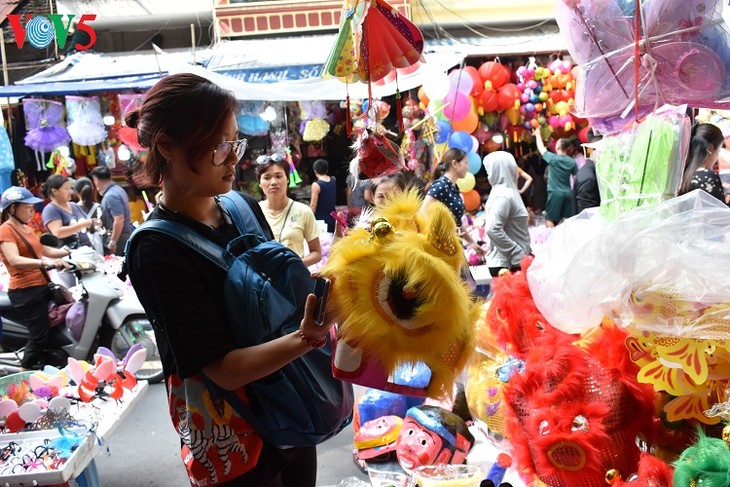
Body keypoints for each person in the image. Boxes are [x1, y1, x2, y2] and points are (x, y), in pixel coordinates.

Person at [125, 73, 332, 486]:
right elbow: (223, 370)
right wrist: (307, 337)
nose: (234, 158)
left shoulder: (240, 206)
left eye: (234, 142)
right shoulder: (155, 248)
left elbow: (274, 300)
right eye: (219, 146)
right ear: (167, 146)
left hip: (289, 409)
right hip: (232, 440)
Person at [0, 186, 71, 370]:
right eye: (27, 207)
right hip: (25, 291)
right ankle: (24, 375)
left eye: (33, 208)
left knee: (54, 330)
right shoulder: (6, 230)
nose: (32, 211)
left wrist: (67, 253)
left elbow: (44, 250)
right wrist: (44, 264)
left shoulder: (26, 228)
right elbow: (14, 259)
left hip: (41, 286)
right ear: (12, 209)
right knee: (39, 337)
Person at [258, 153, 322, 267]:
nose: (273, 182)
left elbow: (316, 253)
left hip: (294, 281)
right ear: (260, 183)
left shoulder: (303, 211)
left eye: (278, 176)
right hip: (261, 282)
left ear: (287, 179)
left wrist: (293, 265)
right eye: (267, 177)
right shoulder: (253, 212)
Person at [420, 148, 485, 256]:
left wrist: (472, 243)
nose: (467, 167)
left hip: (453, 247)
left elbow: (457, 222)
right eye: (465, 163)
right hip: (442, 249)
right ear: (455, 163)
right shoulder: (441, 185)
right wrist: (441, 236)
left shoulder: (453, 187)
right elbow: (423, 212)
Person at [482, 152, 532, 277]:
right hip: (508, 265)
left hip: (511, 262)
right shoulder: (504, 195)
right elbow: (492, 229)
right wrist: (516, 252)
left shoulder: (506, 192)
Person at [532, 128, 578, 227]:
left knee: (550, 218)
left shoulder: (553, 158)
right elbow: (575, 179)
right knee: (567, 220)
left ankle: (553, 241)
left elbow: (541, 148)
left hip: (555, 193)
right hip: (568, 193)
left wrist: (538, 134)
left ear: (557, 147)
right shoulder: (572, 162)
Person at [41, 175, 94, 250]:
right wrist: (82, 225)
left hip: (87, 249)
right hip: (68, 253)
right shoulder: (51, 209)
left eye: (70, 188)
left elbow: (87, 224)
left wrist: (93, 223)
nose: (70, 192)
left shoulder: (74, 205)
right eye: (66, 189)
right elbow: (58, 233)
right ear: (55, 191)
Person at [89, 166, 133, 256]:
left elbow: (119, 219)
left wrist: (113, 242)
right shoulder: (119, 190)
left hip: (119, 238)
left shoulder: (111, 196)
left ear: (96, 181)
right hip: (123, 235)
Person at [679, 123, 726, 204]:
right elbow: (720, 213)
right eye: (718, 150)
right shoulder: (707, 176)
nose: (717, 156)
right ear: (710, 149)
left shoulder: (684, 174)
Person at [309, 158, 337, 233]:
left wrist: (308, 220)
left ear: (315, 171)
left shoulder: (316, 185)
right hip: (333, 217)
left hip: (321, 220)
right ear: (327, 170)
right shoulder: (333, 180)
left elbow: (313, 205)